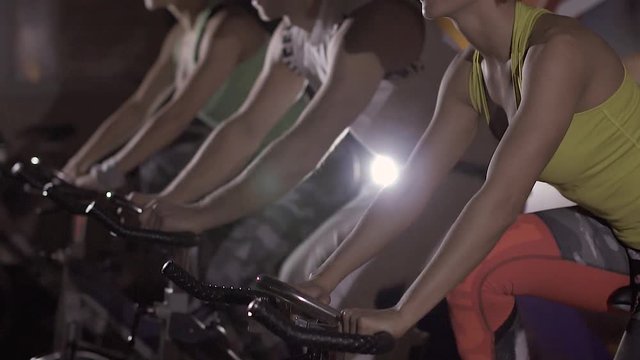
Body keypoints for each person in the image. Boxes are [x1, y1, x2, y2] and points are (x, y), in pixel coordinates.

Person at [287, 1, 640, 359]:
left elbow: (500, 201)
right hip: (618, 234)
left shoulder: (558, 49)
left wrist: (402, 315)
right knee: (477, 274)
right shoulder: (469, 72)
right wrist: (322, 280)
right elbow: (411, 189)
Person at [138, 0, 495, 304]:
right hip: (409, 180)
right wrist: (170, 201)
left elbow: (309, 142)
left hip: (468, 178)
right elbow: (245, 129)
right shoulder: (292, 36)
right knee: (297, 276)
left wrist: (200, 215)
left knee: (350, 304)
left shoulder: (375, 22)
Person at [61, 0, 299, 193]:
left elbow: (178, 114)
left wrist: (108, 174)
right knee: (160, 170)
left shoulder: (229, 29)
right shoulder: (182, 35)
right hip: (240, 154)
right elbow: (139, 107)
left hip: (278, 157)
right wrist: (74, 167)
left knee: (161, 169)